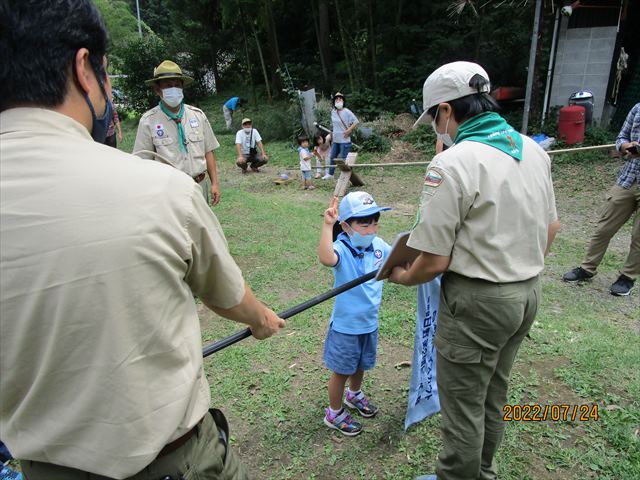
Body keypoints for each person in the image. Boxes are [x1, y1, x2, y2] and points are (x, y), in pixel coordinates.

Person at [0, 2, 285, 479]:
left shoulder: (193, 121)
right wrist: (260, 320)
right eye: (107, 74)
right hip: (172, 464)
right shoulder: (156, 186)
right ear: (84, 70)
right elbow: (228, 294)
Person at [389, 62, 560, 480]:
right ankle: (483, 471)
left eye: (433, 118)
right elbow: (551, 228)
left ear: (446, 111)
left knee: (463, 409)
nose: (436, 128)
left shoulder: (452, 164)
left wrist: (402, 276)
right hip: (525, 293)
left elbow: (433, 260)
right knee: (492, 396)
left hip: (477, 303)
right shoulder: (533, 149)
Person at [318, 191, 392, 436]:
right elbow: (326, 258)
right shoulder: (341, 248)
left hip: (369, 323)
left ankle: (354, 395)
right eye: (364, 223)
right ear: (346, 226)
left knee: (361, 365)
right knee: (342, 371)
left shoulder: (379, 247)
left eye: (374, 222)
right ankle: (334, 412)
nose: (371, 229)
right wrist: (328, 226)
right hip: (346, 327)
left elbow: (399, 258)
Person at [562, 102, 639, 296]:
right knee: (604, 228)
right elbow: (622, 137)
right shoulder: (637, 108)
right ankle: (587, 268)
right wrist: (625, 145)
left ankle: (627, 277)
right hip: (628, 179)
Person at [133, 60, 222, 207]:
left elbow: (208, 151)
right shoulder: (149, 121)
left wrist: (214, 184)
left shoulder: (197, 115)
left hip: (199, 186)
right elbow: (143, 162)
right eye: (168, 85)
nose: (173, 89)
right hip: (168, 192)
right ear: (157, 90)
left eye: (177, 85)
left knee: (201, 229)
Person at [326, 92, 358, 179]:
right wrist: (331, 134)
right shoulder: (333, 112)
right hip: (336, 139)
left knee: (344, 159)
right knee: (332, 156)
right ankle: (330, 174)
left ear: (343, 101)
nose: (338, 101)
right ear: (334, 102)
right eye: (336, 99)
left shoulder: (347, 111)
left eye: (340, 99)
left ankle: (344, 175)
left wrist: (349, 130)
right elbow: (333, 125)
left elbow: (356, 121)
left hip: (344, 139)